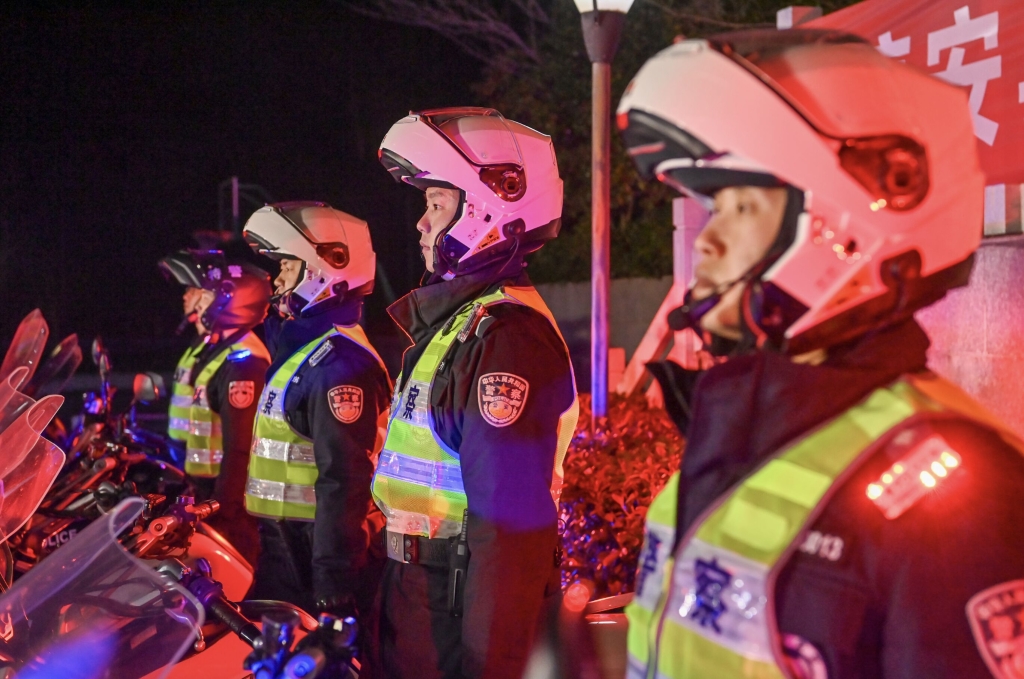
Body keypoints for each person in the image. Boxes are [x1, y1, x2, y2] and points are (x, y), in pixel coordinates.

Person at [617, 29, 1024, 679]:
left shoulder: (966, 500)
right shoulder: (740, 429)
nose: (706, 243)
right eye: (713, 207)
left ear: (844, 222)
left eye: (741, 206)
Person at [363, 107, 579, 679]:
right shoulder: (465, 324)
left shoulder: (508, 339)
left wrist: (491, 666)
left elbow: (507, 535)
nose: (421, 224)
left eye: (436, 202)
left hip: (452, 616)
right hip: (419, 601)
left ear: (490, 205)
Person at [242, 202, 391, 618]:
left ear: (325, 270)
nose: (277, 280)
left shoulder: (338, 363)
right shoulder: (307, 352)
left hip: (314, 556)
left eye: (288, 266)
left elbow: (343, 479)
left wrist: (333, 577)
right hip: (287, 547)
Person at [158, 250, 271, 564]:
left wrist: (223, 509)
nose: (188, 297)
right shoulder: (213, 347)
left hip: (226, 505)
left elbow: (240, 448)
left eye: (201, 293)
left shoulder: (244, 362)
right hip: (202, 491)